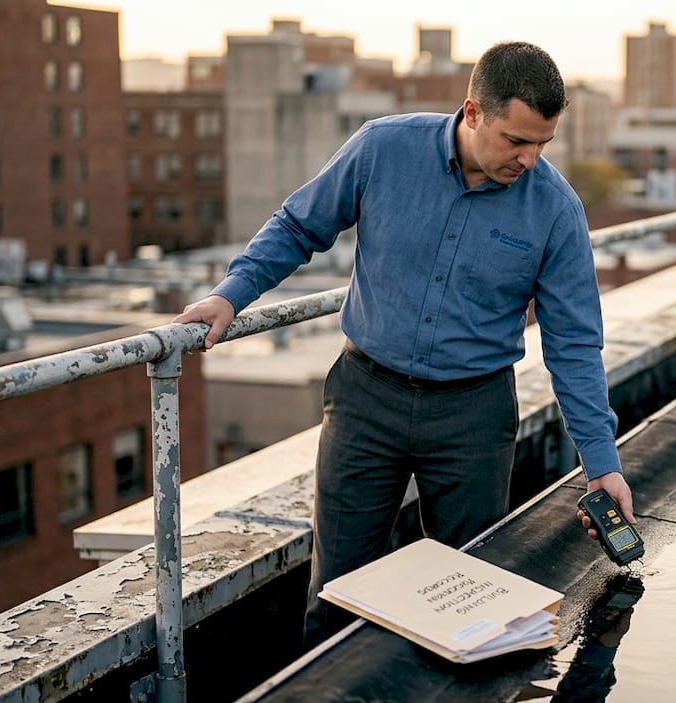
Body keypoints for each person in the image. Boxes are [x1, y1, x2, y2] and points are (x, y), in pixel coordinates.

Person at [172, 41, 636, 649]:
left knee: (466, 600)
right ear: (472, 112)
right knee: (336, 592)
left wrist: (601, 463)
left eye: (542, 144)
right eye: (515, 141)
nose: (528, 159)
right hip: (366, 401)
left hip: (473, 417)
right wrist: (231, 296)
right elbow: (298, 226)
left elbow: (574, 345)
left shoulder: (555, 210)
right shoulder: (382, 148)